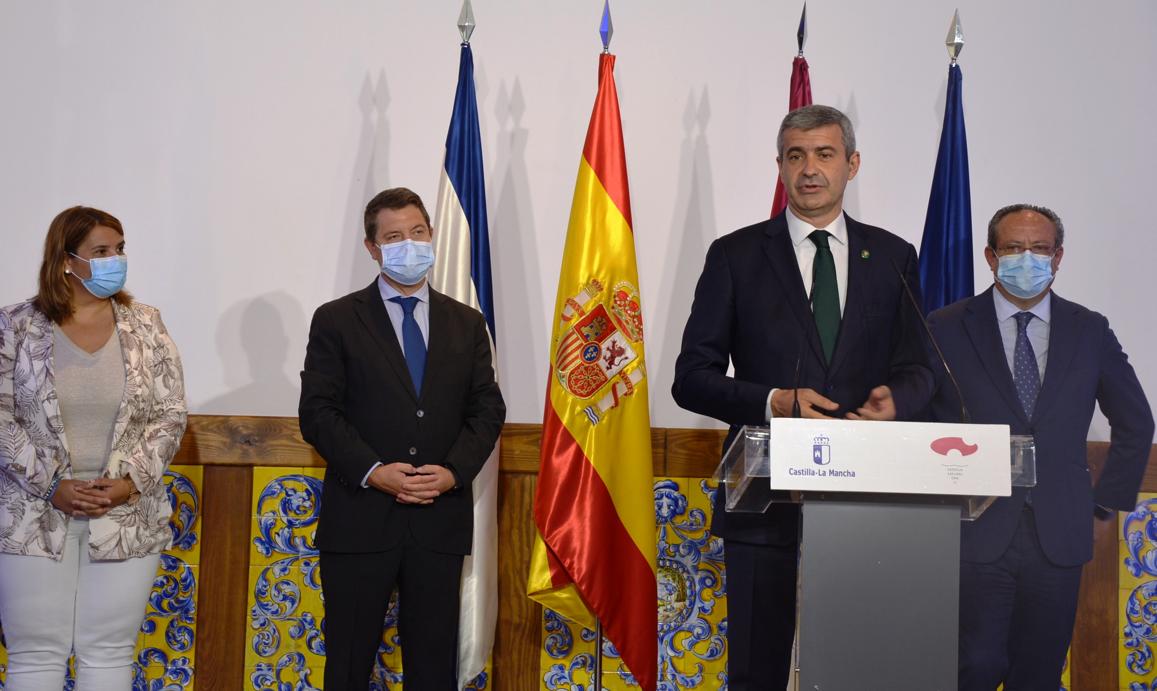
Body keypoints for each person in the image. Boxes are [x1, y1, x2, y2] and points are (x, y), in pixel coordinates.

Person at [671, 104, 933, 690]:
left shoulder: (893, 257)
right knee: (756, 673)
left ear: (852, 164)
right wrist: (773, 400)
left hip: (867, 497)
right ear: (780, 167)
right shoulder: (735, 256)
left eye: (824, 154)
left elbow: (921, 367)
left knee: (857, 671)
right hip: (764, 499)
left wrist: (899, 398)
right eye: (796, 156)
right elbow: (690, 377)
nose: (809, 169)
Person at [925, 204, 1153, 690]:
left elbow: (1136, 422)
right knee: (974, 668)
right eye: (1012, 248)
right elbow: (920, 419)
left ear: (1058, 256)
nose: (1026, 258)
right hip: (973, 531)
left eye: (1039, 248)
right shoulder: (945, 326)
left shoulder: (1089, 329)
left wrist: (1105, 504)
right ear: (990, 255)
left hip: (1060, 534)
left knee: (1040, 675)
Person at [299, 187, 505, 689]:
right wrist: (374, 471)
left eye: (417, 232)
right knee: (347, 663)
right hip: (360, 521)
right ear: (372, 248)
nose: (409, 244)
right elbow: (318, 412)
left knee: (433, 666)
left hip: (439, 520)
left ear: (432, 235)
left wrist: (453, 471)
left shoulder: (466, 322)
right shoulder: (337, 319)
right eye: (394, 237)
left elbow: (487, 407)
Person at [0, 205, 188, 689]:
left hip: (126, 515)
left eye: (119, 249)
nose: (114, 260)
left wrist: (130, 484)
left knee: (108, 654)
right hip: (31, 515)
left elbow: (170, 413)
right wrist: (50, 485)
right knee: (35, 655)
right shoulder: (16, 326)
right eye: (100, 251)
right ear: (66, 260)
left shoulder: (146, 324)